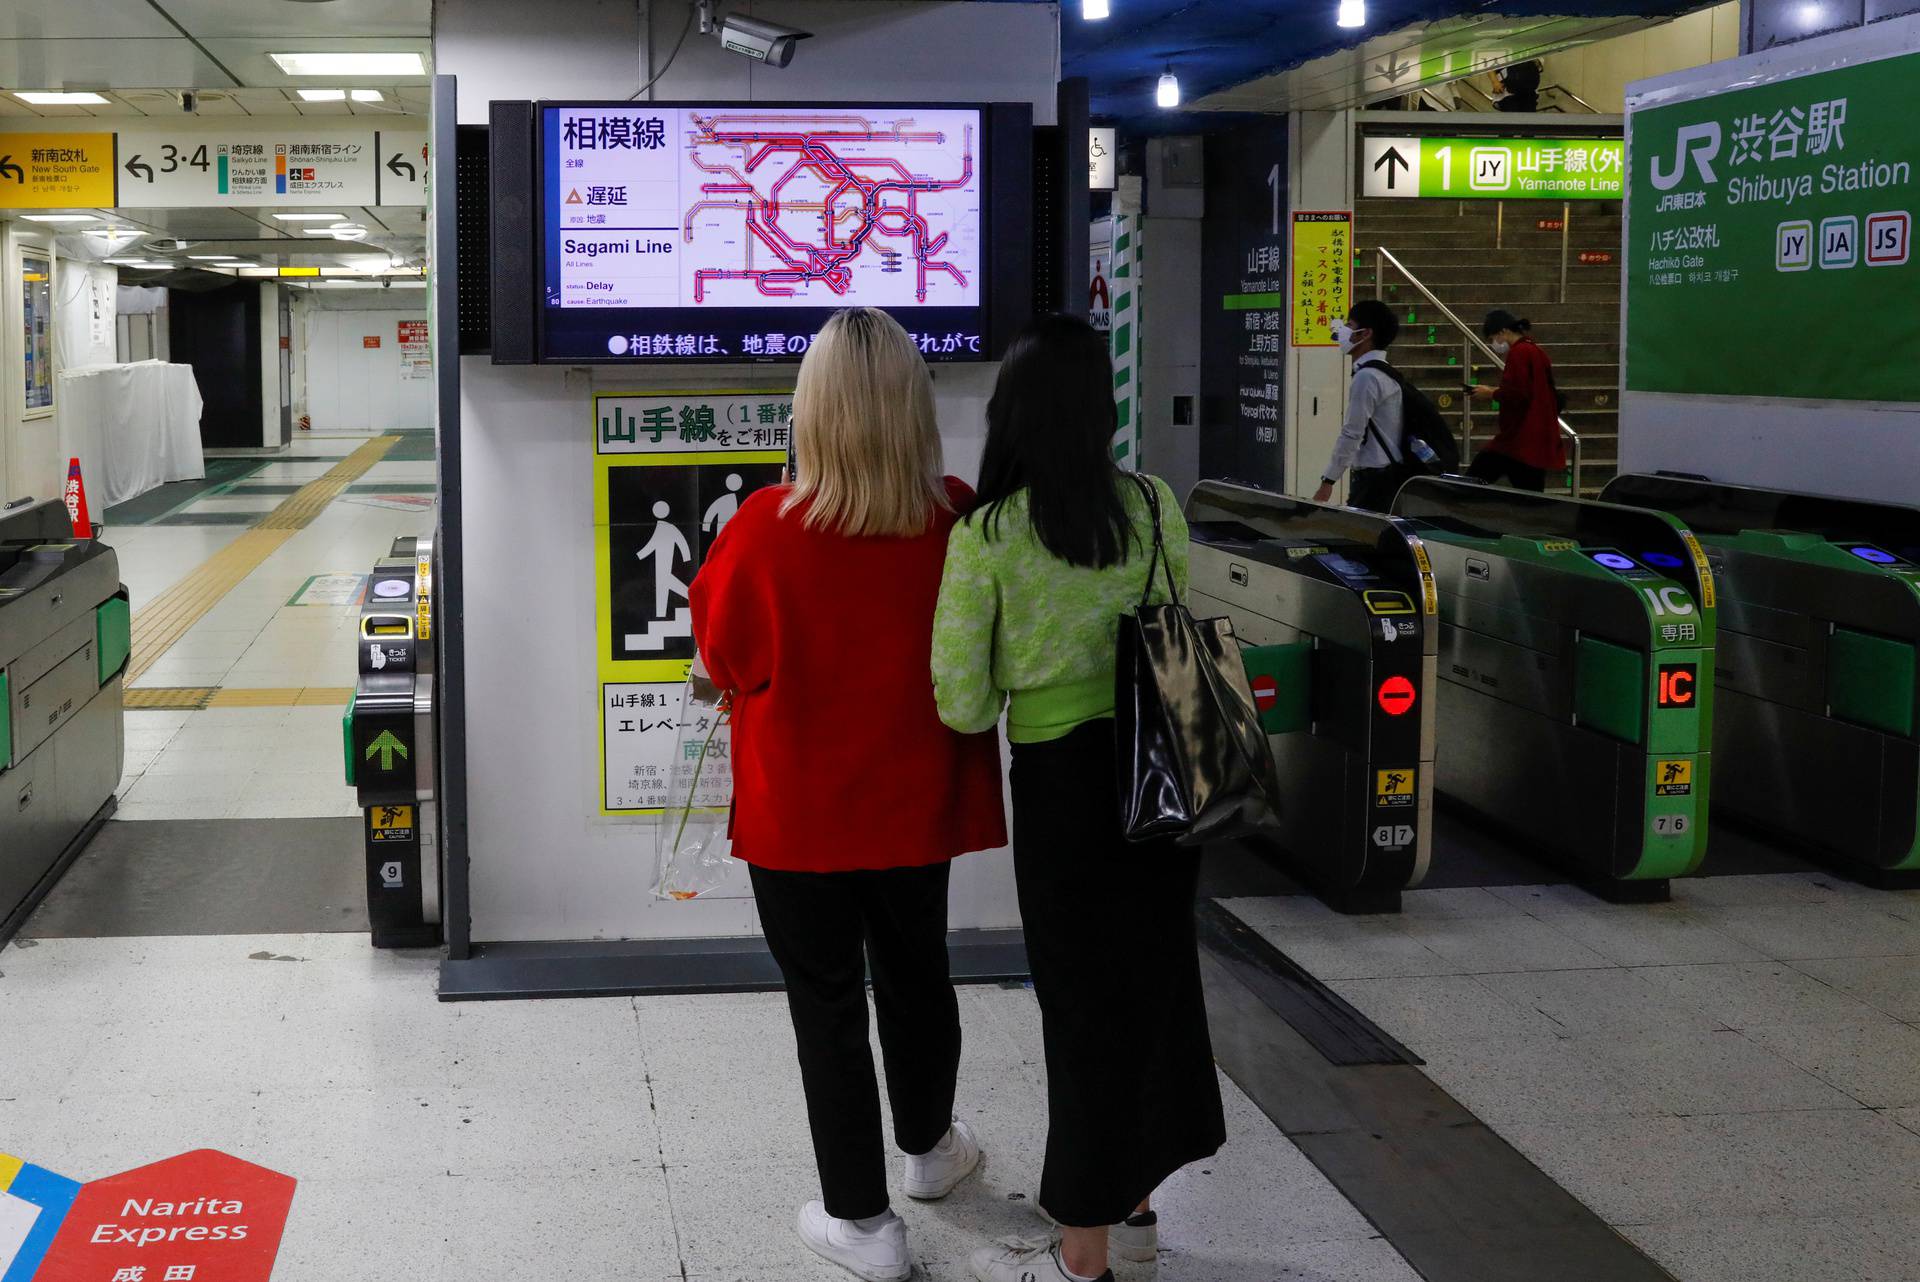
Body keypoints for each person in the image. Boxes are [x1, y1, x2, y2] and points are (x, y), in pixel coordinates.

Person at [689, 307, 1008, 1282]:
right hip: (918, 805)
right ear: (914, 406)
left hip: (800, 816)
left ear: (811, 410)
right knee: (918, 972)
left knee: (826, 1004)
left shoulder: (762, 529)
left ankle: (862, 1225)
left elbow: (723, 661)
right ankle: (930, 1152)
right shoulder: (955, 514)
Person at [932, 314, 1227, 1282]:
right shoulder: (1151, 504)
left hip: (1062, 793)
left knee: (1082, 1010)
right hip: (1162, 775)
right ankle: (1136, 1222)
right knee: (1152, 991)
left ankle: (1083, 1253)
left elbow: (962, 698)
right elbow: (1171, 633)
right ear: (1101, 409)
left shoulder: (987, 534)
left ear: (1011, 415)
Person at [1313, 298, 1408, 513]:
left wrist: (1328, 480)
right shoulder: (1384, 371)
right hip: (1387, 476)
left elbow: (1352, 433)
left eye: (1350, 326)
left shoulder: (1367, 377)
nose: (1343, 332)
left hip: (1374, 480)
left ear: (1366, 334)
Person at [1467, 308, 1565, 492]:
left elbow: (1517, 392)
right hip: (1535, 434)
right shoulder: (1536, 350)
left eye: (1492, 339)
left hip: (1519, 436)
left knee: (1475, 478)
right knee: (1531, 494)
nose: (1493, 345)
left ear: (1503, 331)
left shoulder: (1518, 353)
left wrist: (1491, 393)